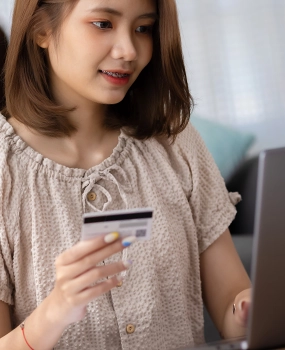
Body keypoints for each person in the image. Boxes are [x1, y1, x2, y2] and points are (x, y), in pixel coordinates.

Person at [0, 0, 251, 349]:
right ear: (42, 29)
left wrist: (248, 310)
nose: (129, 50)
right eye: (103, 23)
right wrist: (54, 312)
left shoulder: (176, 143)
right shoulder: (5, 171)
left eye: (143, 28)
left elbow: (232, 310)